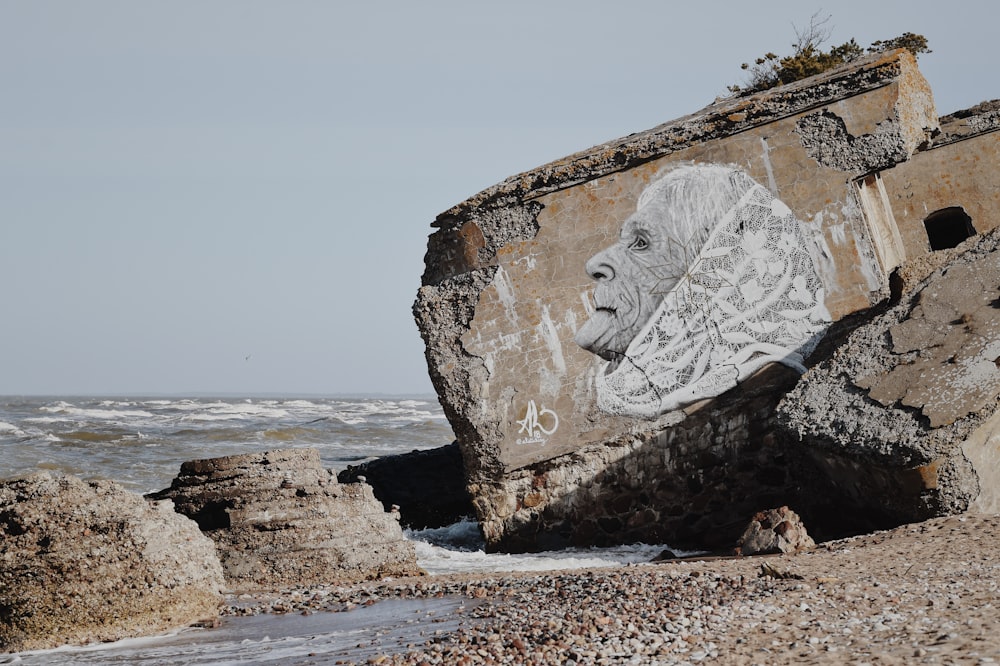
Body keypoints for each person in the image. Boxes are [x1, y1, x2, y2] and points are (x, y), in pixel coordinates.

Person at [574, 163, 831, 418]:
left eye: (641, 243)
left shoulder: (768, 401)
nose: (594, 264)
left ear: (716, 275)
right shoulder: (706, 398)